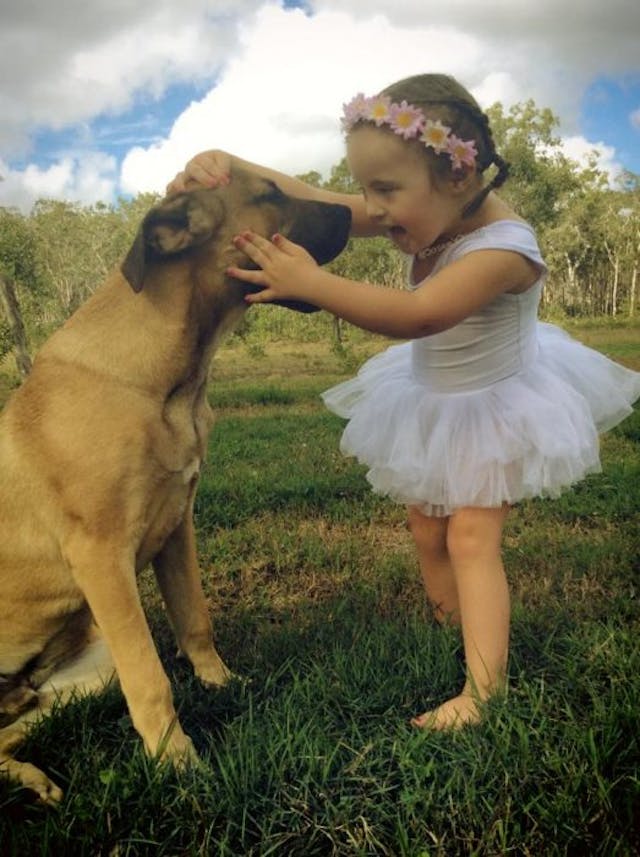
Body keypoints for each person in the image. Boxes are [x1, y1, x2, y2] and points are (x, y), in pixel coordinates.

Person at [168, 73, 640, 730]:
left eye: (385, 191)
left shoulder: (506, 248)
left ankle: (483, 692)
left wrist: (312, 283)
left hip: (495, 405)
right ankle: (452, 624)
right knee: (427, 525)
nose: (373, 208)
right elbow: (321, 199)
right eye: (369, 189)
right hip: (433, 398)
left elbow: (420, 316)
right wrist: (232, 165)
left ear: (457, 175)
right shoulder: (423, 202)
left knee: (471, 535)